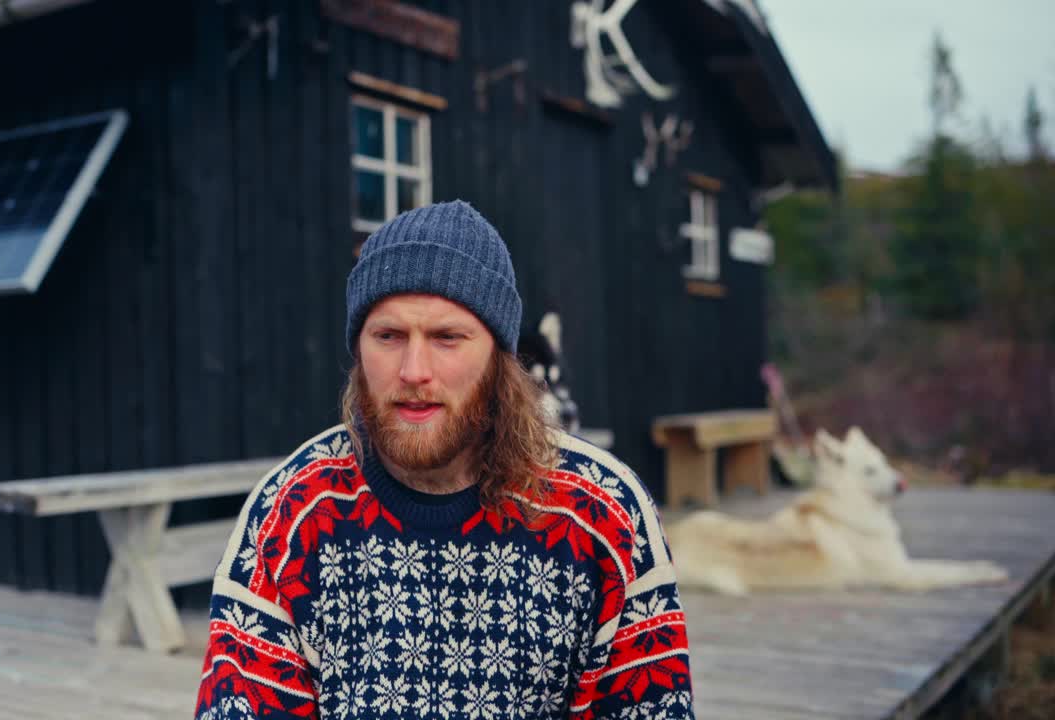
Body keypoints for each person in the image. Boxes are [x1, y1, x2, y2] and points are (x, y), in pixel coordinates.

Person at [194, 200, 693, 719]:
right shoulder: (292, 514)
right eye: (388, 336)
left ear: (500, 357)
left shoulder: (603, 514)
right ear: (358, 348)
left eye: (447, 337)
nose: (414, 370)